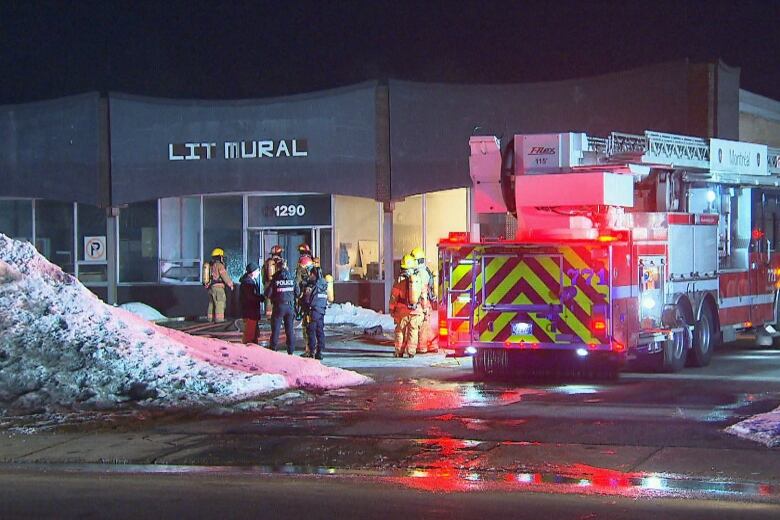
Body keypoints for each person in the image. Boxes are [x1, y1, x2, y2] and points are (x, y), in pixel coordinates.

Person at [389, 254, 425, 358]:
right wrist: (424, 309)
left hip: (402, 312)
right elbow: (423, 297)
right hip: (416, 312)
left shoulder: (398, 283)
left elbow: (393, 298)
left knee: (400, 331)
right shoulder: (419, 282)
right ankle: (411, 351)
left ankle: (399, 351)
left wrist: (391, 309)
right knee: (413, 331)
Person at [265, 261, 299, 354]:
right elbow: (298, 292)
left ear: (278, 268)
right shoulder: (292, 278)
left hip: (279, 306)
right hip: (290, 306)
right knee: (290, 329)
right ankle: (291, 351)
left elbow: (268, 294)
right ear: (286, 267)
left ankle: (273, 350)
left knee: (276, 329)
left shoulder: (275, 279)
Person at [410, 247, 438, 353]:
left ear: (417, 260)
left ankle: (422, 347)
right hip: (426, 302)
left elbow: (421, 291)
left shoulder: (420, 274)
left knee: (422, 325)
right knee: (425, 324)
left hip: (423, 302)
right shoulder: (425, 271)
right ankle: (432, 345)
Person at [301, 265, 328, 360]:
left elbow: (307, 300)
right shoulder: (323, 285)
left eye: (311, 274)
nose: (310, 276)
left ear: (313, 274)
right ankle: (319, 352)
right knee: (320, 331)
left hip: (313, 311)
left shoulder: (312, 286)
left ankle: (311, 351)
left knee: (311, 331)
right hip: (321, 311)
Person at [205, 247, 234, 322]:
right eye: (222, 256)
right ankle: (219, 320)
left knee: (211, 303)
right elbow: (225, 276)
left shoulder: (211, 265)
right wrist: (230, 284)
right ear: (220, 257)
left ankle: (210, 319)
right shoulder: (219, 265)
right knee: (220, 303)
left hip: (211, 288)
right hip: (218, 288)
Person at [239, 262, 264, 345]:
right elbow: (250, 297)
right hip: (250, 312)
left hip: (252, 312)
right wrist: (260, 298)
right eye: (258, 271)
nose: (259, 273)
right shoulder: (248, 282)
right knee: (249, 336)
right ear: (253, 272)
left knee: (254, 334)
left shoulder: (251, 280)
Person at [263, 245, 284, 319]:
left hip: (272, 285)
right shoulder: (272, 262)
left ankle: (272, 318)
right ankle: (270, 319)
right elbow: (270, 276)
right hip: (272, 285)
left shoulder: (270, 261)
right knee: (271, 303)